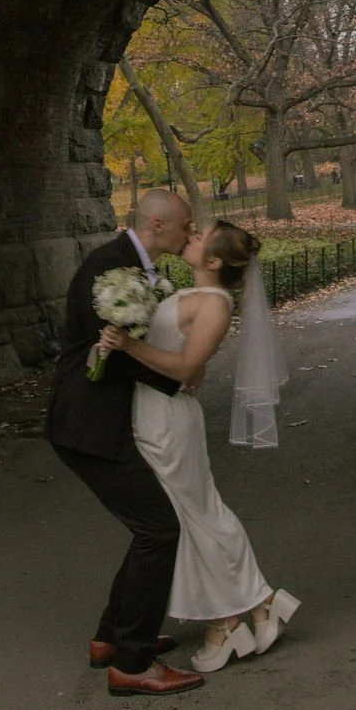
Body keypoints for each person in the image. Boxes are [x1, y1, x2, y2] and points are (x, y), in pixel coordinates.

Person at [98, 219, 300, 674]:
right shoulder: (191, 294)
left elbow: (188, 367)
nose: (188, 236)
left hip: (168, 420)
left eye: (197, 237)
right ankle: (248, 607)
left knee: (193, 514)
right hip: (153, 411)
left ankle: (235, 614)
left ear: (213, 261)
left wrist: (129, 345)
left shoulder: (214, 302)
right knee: (191, 515)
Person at [46, 188, 205, 698]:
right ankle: (132, 664)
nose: (191, 233)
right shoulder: (109, 267)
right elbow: (110, 352)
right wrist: (176, 380)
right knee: (159, 530)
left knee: (149, 529)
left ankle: (111, 639)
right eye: (186, 225)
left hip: (98, 421)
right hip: (87, 423)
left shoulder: (134, 268)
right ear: (159, 225)